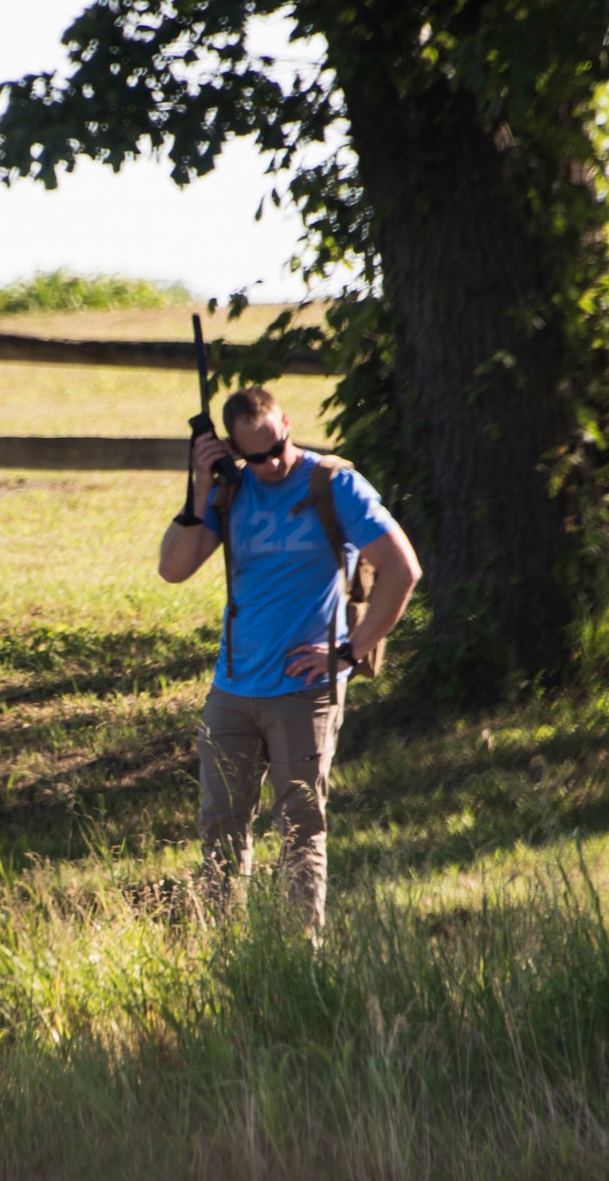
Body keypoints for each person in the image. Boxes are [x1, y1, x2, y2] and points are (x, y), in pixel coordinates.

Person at [158, 386, 422, 929]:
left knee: (301, 829)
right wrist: (200, 486)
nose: (271, 462)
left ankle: (301, 959)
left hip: (305, 693)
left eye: (278, 445)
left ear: (287, 423)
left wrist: (349, 653)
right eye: (254, 456)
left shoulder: (335, 484)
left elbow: (403, 571)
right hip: (231, 690)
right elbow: (174, 568)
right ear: (233, 451)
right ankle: (228, 953)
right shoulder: (230, 494)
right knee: (220, 831)